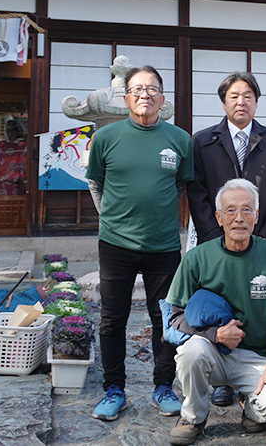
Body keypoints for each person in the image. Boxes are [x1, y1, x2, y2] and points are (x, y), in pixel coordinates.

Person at [86, 65, 196, 422]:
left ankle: (163, 387)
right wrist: (110, 217)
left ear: (162, 99)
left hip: (163, 245)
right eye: (137, 89)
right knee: (112, 319)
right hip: (115, 243)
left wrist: (157, 213)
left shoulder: (179, 139)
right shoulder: (106, 137)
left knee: (165, 318)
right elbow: (95, 183)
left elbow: (180, 184)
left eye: (151, 89)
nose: (144, 94)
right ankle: (113, 389)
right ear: (126, 97)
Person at [186, 71, 266, 407]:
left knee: (260, 303)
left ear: (256, 102)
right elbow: (197, 193)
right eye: (234, 96)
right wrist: (215, 237)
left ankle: (258, 367)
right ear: (223, 102)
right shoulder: (203, 141)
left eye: (248, 96)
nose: (241, 102)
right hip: (217, 241)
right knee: (219, 302)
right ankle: (223, 380)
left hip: (263, 241)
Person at [165, 179, 266, 445]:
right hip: (213, 352)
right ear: (219, 217)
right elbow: (176, 317)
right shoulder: (197, 258)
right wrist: (215, 334)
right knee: (190, 352)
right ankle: (193, 417)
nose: (239, 218)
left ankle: (251, 409)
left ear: (256, 215)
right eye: (231, 210)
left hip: (256, 355)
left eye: (247, 210)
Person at [0, 119, 27, 195]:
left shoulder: (23, 146)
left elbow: (26, 162)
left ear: (17, 132)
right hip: (2, 181)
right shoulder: (0, 146)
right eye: (9, 131)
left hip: (17, 181)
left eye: (13, 131)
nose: (11, 133)